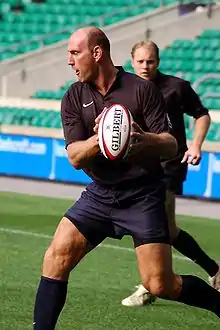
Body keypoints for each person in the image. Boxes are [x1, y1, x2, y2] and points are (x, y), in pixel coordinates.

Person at [33, 27, 220, 329]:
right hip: (99, 194)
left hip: (143, 196)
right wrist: (101, 138)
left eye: (74, 53)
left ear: (97, 53)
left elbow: (171, 144)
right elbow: (74, 158)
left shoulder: (142, 90)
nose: (69, 61)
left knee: (160, 284)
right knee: (56, 258)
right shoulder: (73, 96)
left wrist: (141, 138)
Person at [121, 40, 220, 307]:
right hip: (139, 167)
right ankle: (213, 271)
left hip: (170, 163)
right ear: (132, 61)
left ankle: (150, 285)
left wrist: (197, 145)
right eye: (140, 61)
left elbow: (202, 115)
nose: (145, 66)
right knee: (167, 229)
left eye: (150, 61)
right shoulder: (126, 88)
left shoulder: (176, 87)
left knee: (157, 226)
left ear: (158, 61)